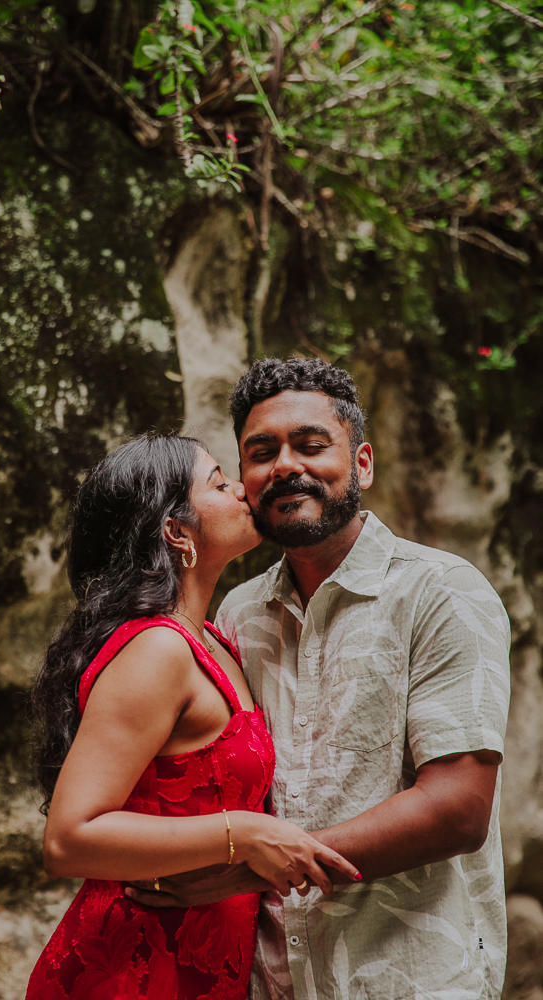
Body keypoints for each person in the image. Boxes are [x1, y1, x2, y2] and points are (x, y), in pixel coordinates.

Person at [126, 359, 512, 1000]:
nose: (284, 466)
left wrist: (251, 865)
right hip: (270, 981)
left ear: (361, 463)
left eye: (310, 445)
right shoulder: (237, 614)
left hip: (412, 978)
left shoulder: (441, 592)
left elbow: (457, 809)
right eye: (261, 453)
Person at [26, 433, 360, 1000]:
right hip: (130, 970)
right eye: (219, 483)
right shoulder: (157, 649)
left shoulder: (213, 639)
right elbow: (70, 838)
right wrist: (247, 833)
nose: (242, 491)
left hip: (200, 967)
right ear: (177, 532)